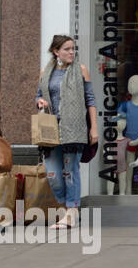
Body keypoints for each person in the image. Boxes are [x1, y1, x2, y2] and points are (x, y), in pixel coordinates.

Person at [35, 35, 98, 229]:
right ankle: (68, 209)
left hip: (74, 128)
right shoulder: (45, 72)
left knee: (70, 171)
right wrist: (40, 102)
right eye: (67, 49)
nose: (72, 52)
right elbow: (38, 95)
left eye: (73, 49)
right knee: (53, 174)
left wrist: (94, 127)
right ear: (56, 51)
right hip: (51, 128)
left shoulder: (81, 70)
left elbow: (90, 100)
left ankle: (71, 211)